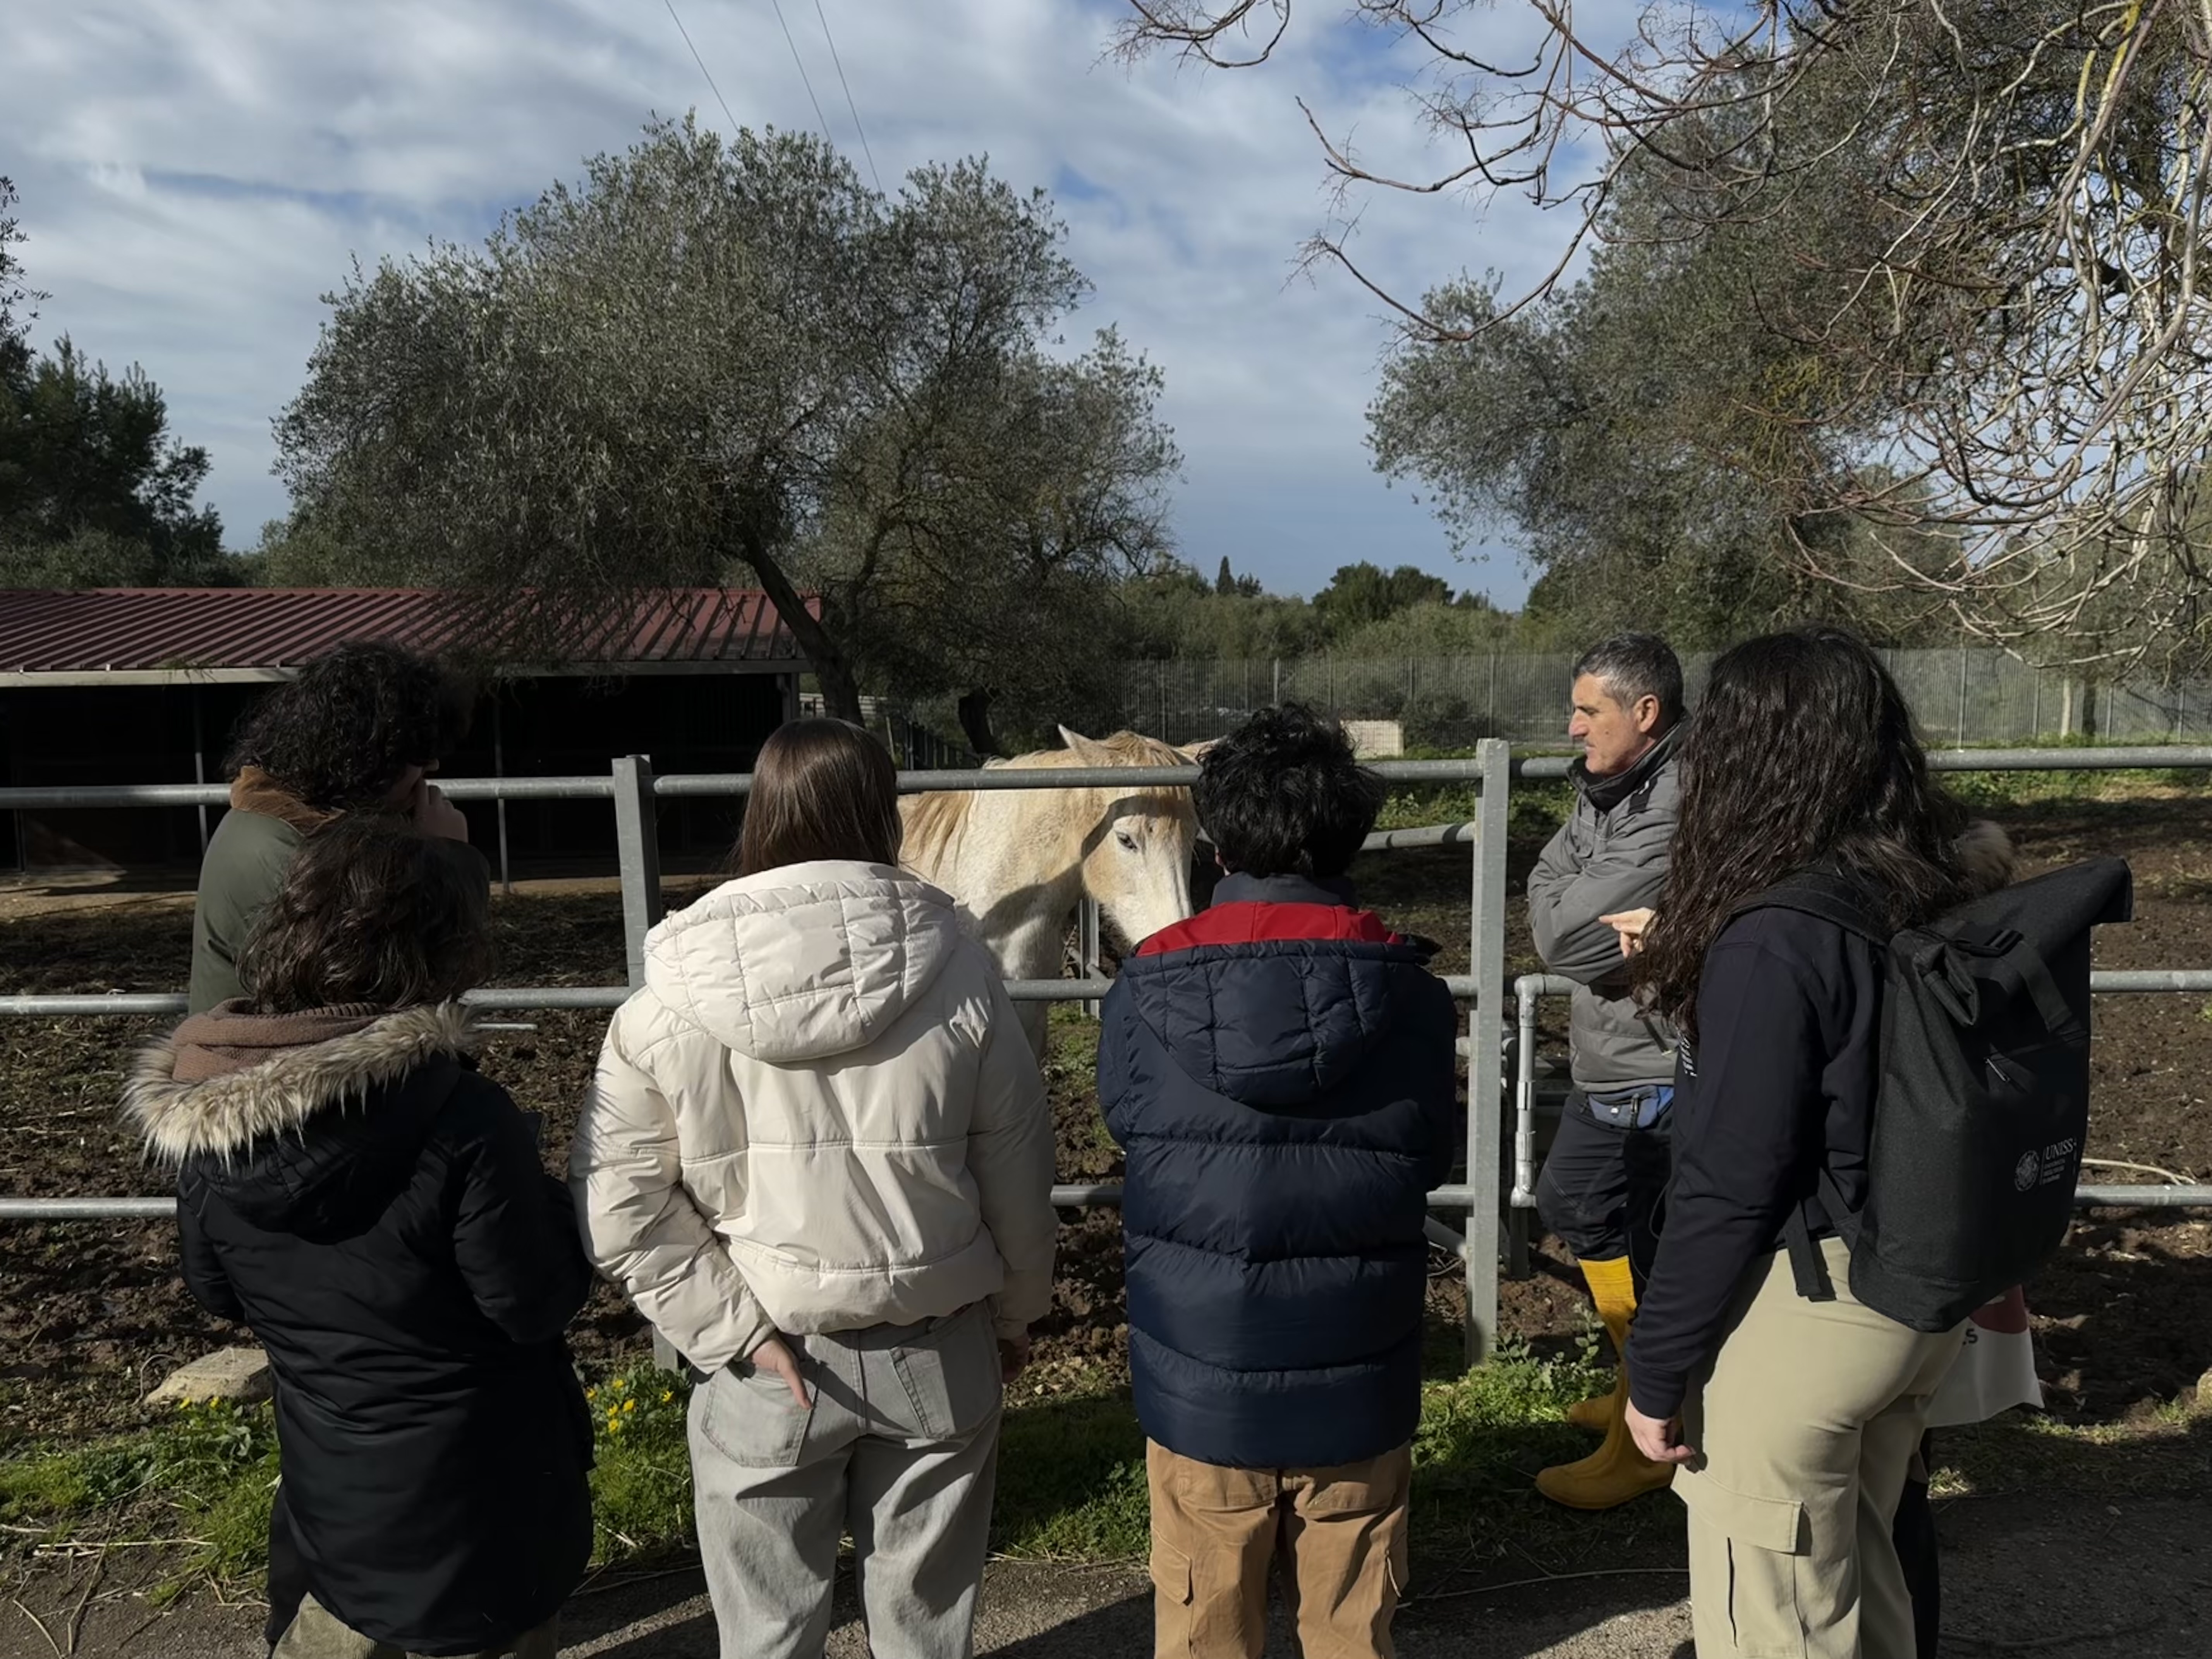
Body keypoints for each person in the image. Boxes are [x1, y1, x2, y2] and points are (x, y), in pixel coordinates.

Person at [570, 718, 1057, 1659]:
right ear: (886, 815)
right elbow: (1018, 1163)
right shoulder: (963, 969)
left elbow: (621, 1203)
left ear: (762, 812)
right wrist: (1016, 1315)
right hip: (938, 1340)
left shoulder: (670, 994)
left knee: (767, 1636)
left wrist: (734, 1334)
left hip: (769, 1356)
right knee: (926, 1634)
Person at [127, 818, 594, 1659]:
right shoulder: (464, 1118)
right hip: (487, 1491)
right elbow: (532, 1303)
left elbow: (216, 1288)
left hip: (332, 1483)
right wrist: (562, 1207)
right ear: (442, 956)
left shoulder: (212, 1117)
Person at [1621, 626, 1990, 1659]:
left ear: (1749, 756)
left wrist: (1655, 1370)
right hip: (1914, 1295)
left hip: (1808, 1310)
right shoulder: (1927, 894)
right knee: (1869, 1584)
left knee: (1775, 1617)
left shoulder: (1774, 937)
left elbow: (1730, 1183)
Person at [1097, 704, 1459, 1659]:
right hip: (1358, 1369)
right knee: (1352, 1625)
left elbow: (1129, 1127)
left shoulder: (1146, 990)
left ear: (1217, 843)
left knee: (1205, 1622)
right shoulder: (1411, 997)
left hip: (1201, 1376)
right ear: (1352, 838)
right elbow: (1432, 1157)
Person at [1525, 633, 1685, 1510]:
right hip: (1612, 1050)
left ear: (1646, 713)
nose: (1573, 724)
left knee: (1622, 1221)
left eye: (1589, 710)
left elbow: (1561, 936)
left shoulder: (1675, 802)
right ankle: (1644, 1392)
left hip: (1653, 1057)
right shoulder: (1610, 787)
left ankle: (1655, 1422)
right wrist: (1577, 896)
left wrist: (1575, 907)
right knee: (1582, 1203)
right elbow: (1552, 886)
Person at [190, 640, 481, 1014]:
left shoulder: (293, 827)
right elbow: (394, 986)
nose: (429, 772)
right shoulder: (293, 854)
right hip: (275, 1067)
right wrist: (448, 861)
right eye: (419, 757)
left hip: (284, 1062)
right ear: (370, 760)